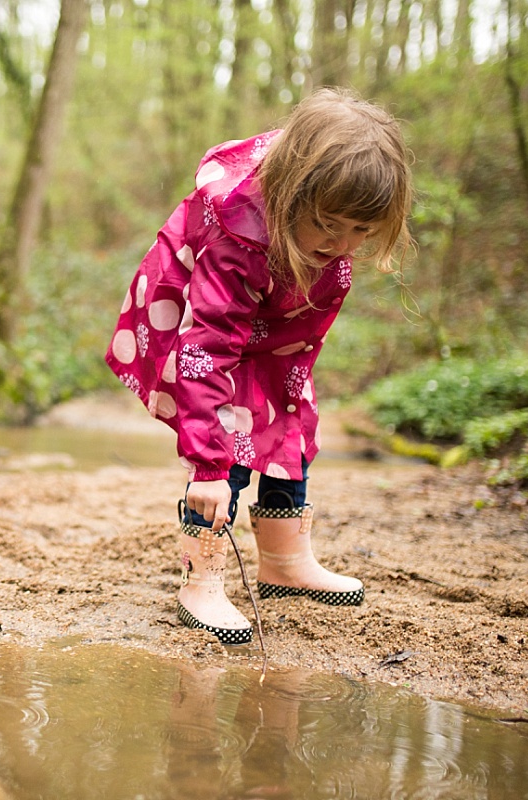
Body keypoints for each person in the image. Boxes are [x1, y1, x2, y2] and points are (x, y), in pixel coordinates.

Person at [105, 88, 413, 645]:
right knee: (232, 439)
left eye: (361, 232)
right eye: (329, 225)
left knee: (289, 430)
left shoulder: (322, 235)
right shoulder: (239, 237)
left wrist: (290, 382)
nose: (344, 244)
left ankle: (284, 561)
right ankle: (200, 578)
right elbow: (208, 347)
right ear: (294, 196)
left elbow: (299, 331)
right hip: (205, 329)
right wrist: (207, 467)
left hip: (276, 340)